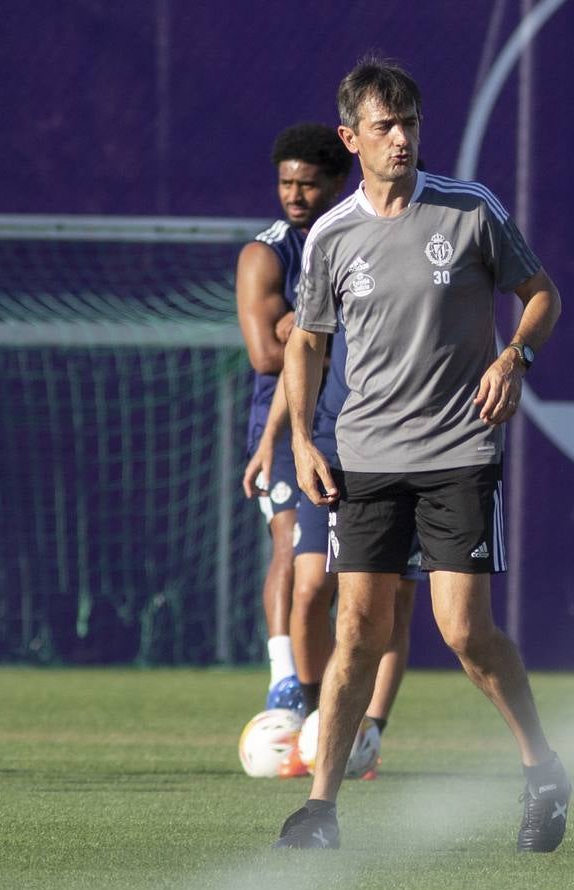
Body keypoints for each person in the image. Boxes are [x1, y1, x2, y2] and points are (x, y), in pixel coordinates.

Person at [271, 57, 569, 851]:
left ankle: (542, 768)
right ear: (352, 138)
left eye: (409, 124)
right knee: (357, 634)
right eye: (383, 127)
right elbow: (305, 343)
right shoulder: (331, 234)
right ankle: (321, 810)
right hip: (365, 458)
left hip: (459, 450)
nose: (400, 139)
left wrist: (515, 359)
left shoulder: (470, 210)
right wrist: (303, 440)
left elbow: (542, 294)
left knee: (464, 633)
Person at [244, 321, 423, 779]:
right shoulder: (334, 258)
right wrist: (271, 440)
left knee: (392, 603)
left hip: (407, 448)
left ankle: (371, 728)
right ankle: (315, 719)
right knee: (309, 590)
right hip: (331, 450)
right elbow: (297, 350)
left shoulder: (418, 266)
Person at [237, 123, 353, 714]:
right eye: (286, 182)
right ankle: (284, 680)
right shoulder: (266, 252)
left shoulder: (355, 238)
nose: (295, 194)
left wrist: (305, 331)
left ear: (336, 181)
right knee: (288, 544)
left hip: (351, 421)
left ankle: (333, 696)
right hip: (282, 428)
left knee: (338, 576)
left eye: (308, 183)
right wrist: (317, 339)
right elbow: (266, 354)